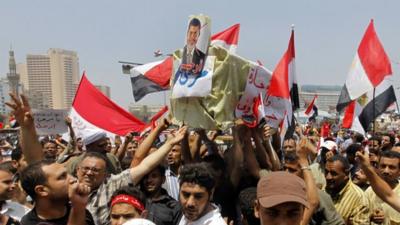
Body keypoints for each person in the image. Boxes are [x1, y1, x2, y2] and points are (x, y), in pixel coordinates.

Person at [20, 160, 95, 225]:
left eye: (68, 174)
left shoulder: (81, 212)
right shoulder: (29, 223)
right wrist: (78, 208)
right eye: (62, 177)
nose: (73, 179)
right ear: (42, 190)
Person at [324, 155, 370, 224]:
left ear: (346, 174)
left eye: (334, 173)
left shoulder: (359, 199)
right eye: (326, 172)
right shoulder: (324, 189)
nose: (328, 177)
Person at [364, 151, 400, 224]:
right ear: (377, 167)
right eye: (383, 166)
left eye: (392, 167)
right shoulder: (369, 191)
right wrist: (371, 216)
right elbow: (360, 215)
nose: (386, 171)